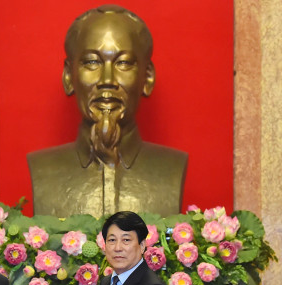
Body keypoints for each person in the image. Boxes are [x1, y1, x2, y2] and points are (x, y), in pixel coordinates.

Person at [28, 4, 187, 217]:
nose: (107, 80)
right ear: (68, 76)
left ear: (147, 77)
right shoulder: (43, 169)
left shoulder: (172, 168)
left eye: (123, 63)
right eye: (92, 62)